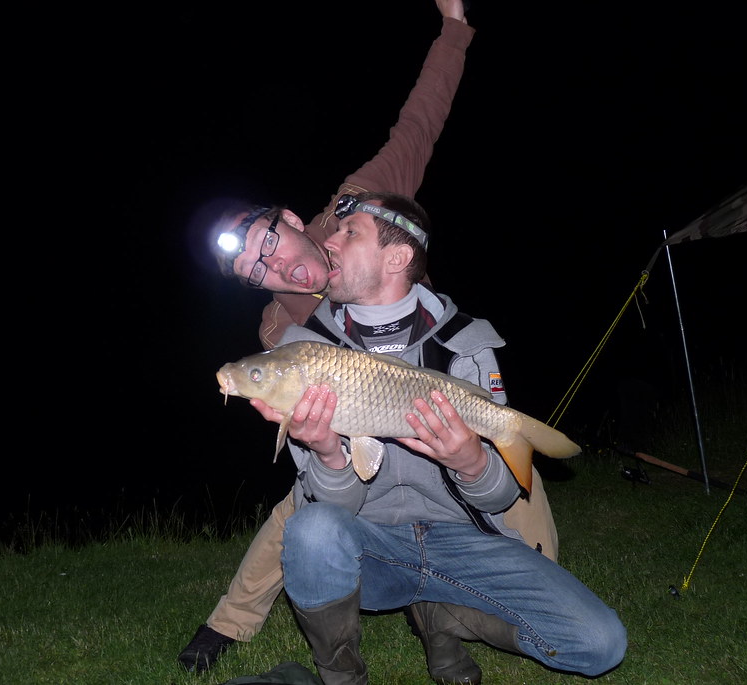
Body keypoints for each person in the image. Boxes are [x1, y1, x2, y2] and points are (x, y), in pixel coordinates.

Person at [179, 3, 559, 682]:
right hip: (361, 428)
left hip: (433, 387)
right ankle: (227, 622)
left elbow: (419, 123)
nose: (274, 267)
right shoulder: (277, 330)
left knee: (525, 528)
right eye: (255, 272)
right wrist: (311, 438)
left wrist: (453, 27)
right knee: (304, 507)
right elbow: (306, 443)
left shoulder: (356, 209)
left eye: (269, 244)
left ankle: (453, 617)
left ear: (292, 220)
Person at [250, 191, 627, 684]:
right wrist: (328, 454)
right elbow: (331, 510)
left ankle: (442, 614)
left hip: (463, 542)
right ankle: (341, 676)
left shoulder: (468, 343)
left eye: (349, 233)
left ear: (398, 257)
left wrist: (471, 461)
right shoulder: (304, 354)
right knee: (312, 531)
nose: (330, 243)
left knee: (602, 645)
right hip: (373, 545)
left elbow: (499, 496)